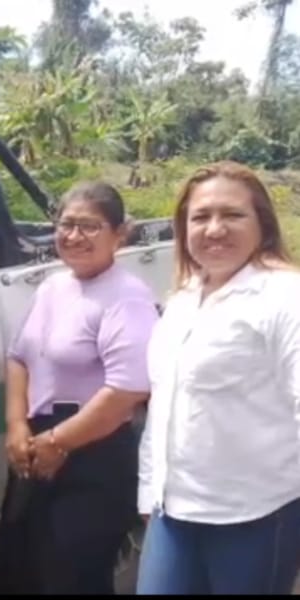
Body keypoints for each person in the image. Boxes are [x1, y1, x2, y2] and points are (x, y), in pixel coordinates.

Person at [136, 161, 300, 595]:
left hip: (256, 515)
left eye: (233, 215)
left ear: (263, 224)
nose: (215, 229)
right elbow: (163, 404)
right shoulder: (183, 299)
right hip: (172, 511)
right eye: (200, 217)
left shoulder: (285, 296)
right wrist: (149, 491)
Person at [0, 181, 158, 595]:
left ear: (119, 234)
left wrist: (59, 442)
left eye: (89, 226)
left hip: (94, 451)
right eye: (66, 224)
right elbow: (18, 357)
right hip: (38, 442)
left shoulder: (127, 297)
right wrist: (17, 426)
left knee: (74, 575)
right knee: (25, 565)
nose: (74, 236)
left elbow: (127, 390)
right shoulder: (53, 287)